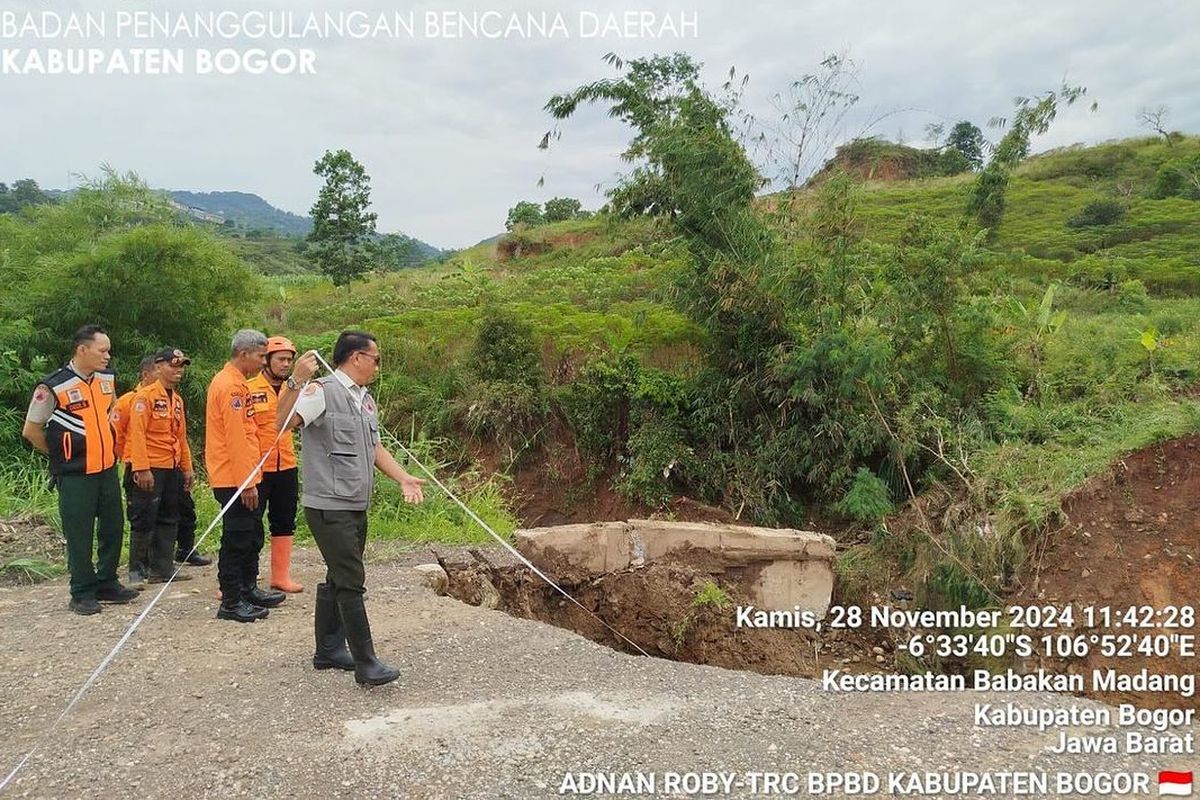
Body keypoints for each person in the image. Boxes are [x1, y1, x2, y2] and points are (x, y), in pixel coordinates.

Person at [277, 330, 425, 685]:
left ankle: (328, 650)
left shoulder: (364, 399)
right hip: (329, 506)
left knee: (338, 575)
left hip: (355, 504)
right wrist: (296, 381)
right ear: (356, 357)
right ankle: (366, 664)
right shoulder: (322, 392)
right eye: (376, 359)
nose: (378, 366)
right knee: (351, 581)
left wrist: (403, 477)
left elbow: (373, 447)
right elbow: (281, 424)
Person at [22, 325, 139, 615]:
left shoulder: (106, 379)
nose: (108, 356)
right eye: (102, 350)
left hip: (106, 469)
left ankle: (107, 582)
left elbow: (111, 415)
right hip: (75, 475)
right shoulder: (53, 386)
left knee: (113, 527)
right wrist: (61, 454)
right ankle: (82, 591)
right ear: (82, 349)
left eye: (108, 350)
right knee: (80, 533)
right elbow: (31, 430)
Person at [205, 329, 285, 623]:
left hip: (246, 472)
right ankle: (231, 599)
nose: (264, 362)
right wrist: (248, 482)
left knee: (252, 534)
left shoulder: (239, 383)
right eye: (261, 356)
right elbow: (236, 438)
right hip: (234, 476)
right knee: (237, 537)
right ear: (243, 354)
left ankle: (248, 587)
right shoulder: (230, 387)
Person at [127, 348, 195, 584]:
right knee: (144, 516)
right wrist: (141, 468)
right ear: (158, 367)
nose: (178, 371)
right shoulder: (144, 397)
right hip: (151, 466)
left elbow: (181, 436)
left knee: (169, 515)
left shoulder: (176, 400)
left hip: (172, 466)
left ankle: (162, 568)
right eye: (173, 365)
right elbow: (136, 434)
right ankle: (137, 569)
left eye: (181, 366)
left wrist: (187, 468)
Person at [247, 336, 303, 593]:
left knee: (284, 521)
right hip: (258, 467)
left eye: (290, 360)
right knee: (249, 524)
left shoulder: (296, 389)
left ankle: (280, 576)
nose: (286, 364)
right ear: (266, 360)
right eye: (281, 359)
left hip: (287, 465)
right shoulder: (249, 389)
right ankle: (238, 579)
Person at [112, 354, 158, 584]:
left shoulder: (168, 399)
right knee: (141, 515)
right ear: (146, 374)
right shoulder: (128, 401)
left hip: (163, 464)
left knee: (163, 513)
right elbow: (116, 435)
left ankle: (157, 565)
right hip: (137, 465)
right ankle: (136, 569)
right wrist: (129, 458)